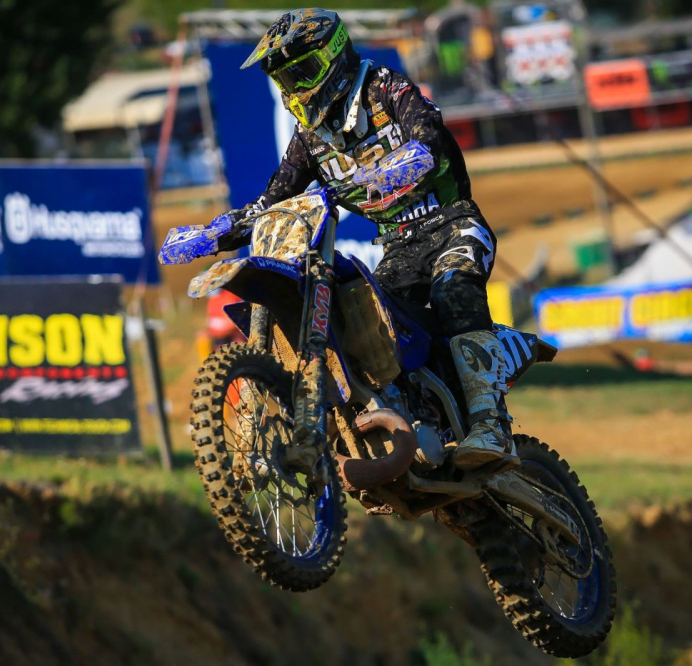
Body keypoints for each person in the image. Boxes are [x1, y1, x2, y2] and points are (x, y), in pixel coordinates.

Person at [216, 8, 512, 469]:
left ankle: (491, 426)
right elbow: (275, 197)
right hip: (397, 247)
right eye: (285, 79)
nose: (295, 87)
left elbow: (429, 137)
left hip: (452, 223)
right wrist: (219, 230)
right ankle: (412, 420)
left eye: (302, 72)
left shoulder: (385, 88)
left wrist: (403, 161)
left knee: (452, 288)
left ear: (332, 56)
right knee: (366, 326)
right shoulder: (310, 137)